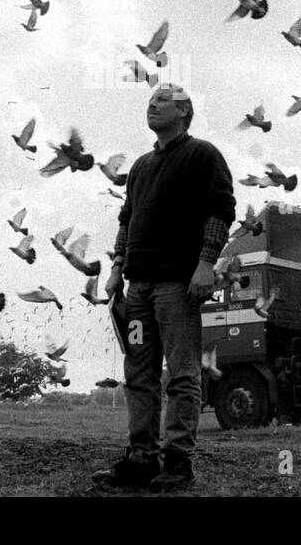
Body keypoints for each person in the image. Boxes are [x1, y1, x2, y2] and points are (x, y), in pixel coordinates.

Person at [92, 84, 235, 492]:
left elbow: (221, 210)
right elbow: (126, 219)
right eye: (150, 100)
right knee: (138, 374)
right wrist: (118, 266)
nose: (152, 105)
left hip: (177, 286)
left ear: (184, 111)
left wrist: (206, 262)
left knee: (182, 372)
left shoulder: (202, 155)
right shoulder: (139, 166)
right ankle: (140, 459)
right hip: (137, 290)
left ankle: (177, 461)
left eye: (162, 100)